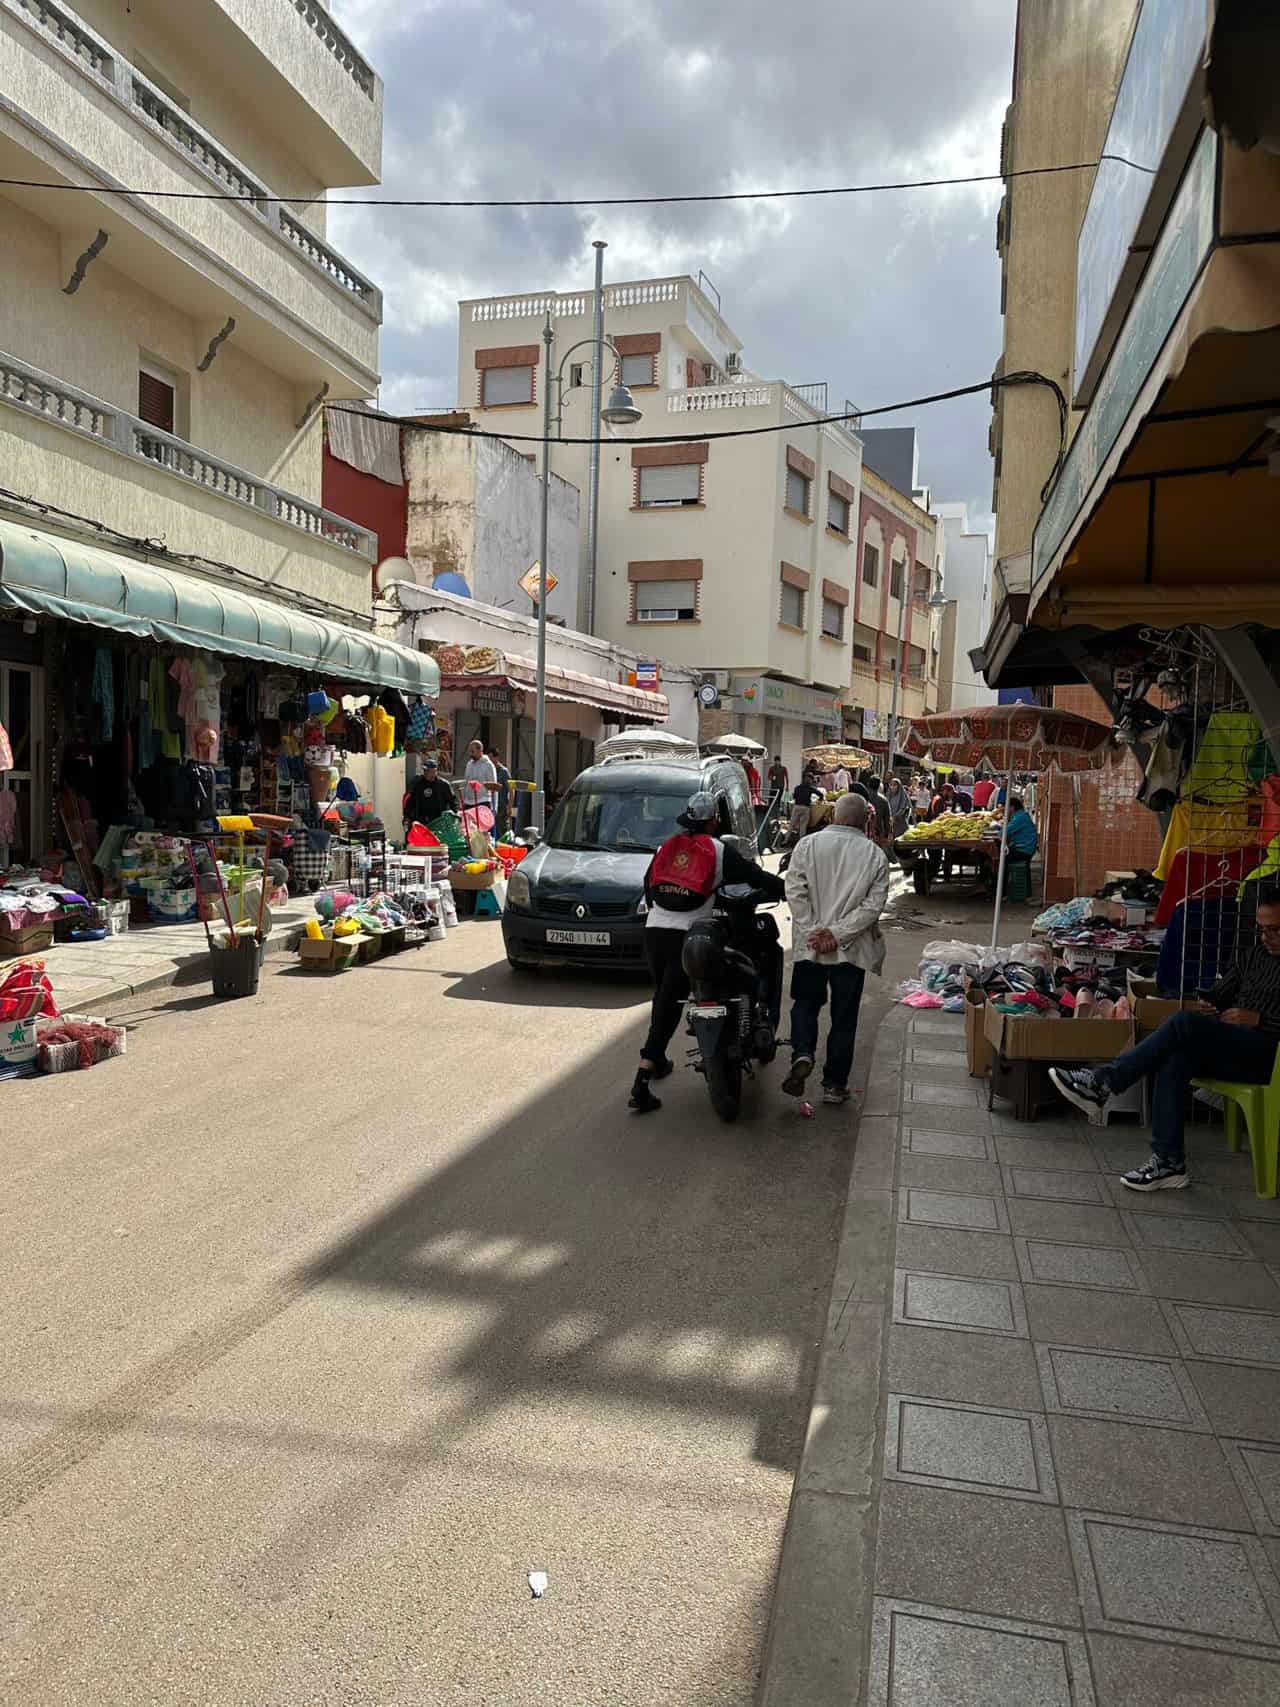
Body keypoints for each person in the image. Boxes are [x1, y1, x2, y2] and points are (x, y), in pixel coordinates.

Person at [1050, 883, 1280, 1190]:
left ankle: (1104, 1082)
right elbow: (1224, 992)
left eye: (1275, 930)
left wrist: (1260, 1018)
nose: (1267, 937)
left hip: (1270, 1054)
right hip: (1236, 1043)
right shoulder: (1256, 954)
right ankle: (1168, 1161)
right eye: (1262, 930)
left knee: (1184, 1023)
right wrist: (1213, 1002)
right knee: (1175, 1055)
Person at [630, 792, 785, 1114]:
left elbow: (649, 887)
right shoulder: (719, 850)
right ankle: (642, 1078)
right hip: (691, 934)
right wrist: (789, 889)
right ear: (715, 820)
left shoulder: (666, 846)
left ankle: (652, 1066)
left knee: (666, 1000)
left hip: (656, 931)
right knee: (714, 983)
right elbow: (756, 877)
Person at [783, 794, 890, 1106]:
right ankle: (834, 1085)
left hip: (810, 947)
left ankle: (802, 1052)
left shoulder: (808, 845)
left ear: (833, 815)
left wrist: (815, 931)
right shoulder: (874, 855)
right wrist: (838, 934)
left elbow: (794, 890)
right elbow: (873, 907)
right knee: (844, 1017)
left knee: (805, 1005)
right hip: (851, 951)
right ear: (865, 821)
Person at [403, 758, 456, 834]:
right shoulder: (418, 784)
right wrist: (407, 816)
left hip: (439, 821)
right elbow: (410, 802)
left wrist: (454, 815)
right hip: (422, 821)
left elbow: (453, 802)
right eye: (425, 771)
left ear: (435, 771)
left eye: (428, 771)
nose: (426, 773)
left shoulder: (443, 785)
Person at [464, 739, 498, 812]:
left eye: (472, 751)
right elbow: (466, 782)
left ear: (480, 750)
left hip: (482, 801)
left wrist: (494, 807)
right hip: (468, 802)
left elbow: (493, 786)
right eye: (470, 751)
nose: (470, 754)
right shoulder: (469, 764)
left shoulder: (488, 765)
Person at [486, 746, 512, 837]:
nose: (489, 760)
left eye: (491, 758)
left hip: (501, 807)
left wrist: (509, 806)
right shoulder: (488, 770)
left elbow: (511, 789)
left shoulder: (503, 771)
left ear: (497, 757)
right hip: (490, 806)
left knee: (501, 832)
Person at [864, 773, 892, 846]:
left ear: (868, 784)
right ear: (879, 786)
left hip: (863, 832)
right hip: (878, 833)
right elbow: (887, 819)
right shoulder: (884, 800)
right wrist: (886, 834)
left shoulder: (862, 797)